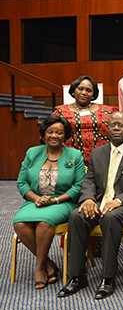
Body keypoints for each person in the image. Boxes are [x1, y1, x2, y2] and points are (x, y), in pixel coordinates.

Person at [57, 112, 123, 300]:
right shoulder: (98, 153)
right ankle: (77, 276)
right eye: (112, 125)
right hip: (98, 202)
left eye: (120, 125)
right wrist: (88, 199)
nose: (115, 128)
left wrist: (119, 200)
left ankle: (108, 278)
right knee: (76, 216)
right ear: (107, 128)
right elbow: (88, 180)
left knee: (110, 218)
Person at [13, 116, 85, 290]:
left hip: (62, 201)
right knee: (20, 224)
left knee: (44, 223)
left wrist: (55, 200)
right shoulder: (33, 153)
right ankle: (49, 264)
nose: (55, 135)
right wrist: (36, 198)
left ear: (65, 135)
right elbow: (22, 183)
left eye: (59, 132)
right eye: (50, 132)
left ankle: (39, 269)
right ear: (44, 134)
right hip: (36, 201)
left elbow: (78, 186)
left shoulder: (75, 155)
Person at [53, 75, 118, 163]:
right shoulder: (60, 112)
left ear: (93, 94)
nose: (84, 92)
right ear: (73, 91)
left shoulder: (108, 111)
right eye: (80, 89)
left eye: (88, 90)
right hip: (69, 160)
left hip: (102, 160)